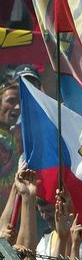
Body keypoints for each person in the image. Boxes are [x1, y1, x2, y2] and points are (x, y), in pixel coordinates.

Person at [0, 79, 21, 211]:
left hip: (12, 217)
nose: (18, 107)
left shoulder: (17, 134)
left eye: (20, 102)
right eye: (11, 101)